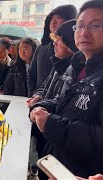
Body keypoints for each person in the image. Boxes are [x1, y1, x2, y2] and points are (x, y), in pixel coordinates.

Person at [30, 0, 103, 179]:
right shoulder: (77, 66)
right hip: (57, 166)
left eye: (95, 25)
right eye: (80, 26)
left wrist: (51, 124)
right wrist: (42, 107)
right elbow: (63, 101)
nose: (84, 32)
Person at [28, 5, 77, 97]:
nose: (53, 22)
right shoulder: (42, 47)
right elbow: (31, 73)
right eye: (51, 18)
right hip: (38, 99)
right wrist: (32, 94)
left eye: (59, 17)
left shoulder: (77, 51)